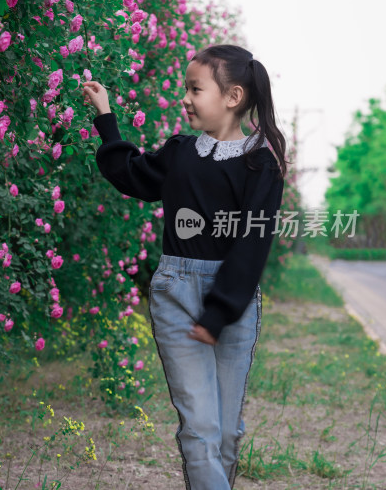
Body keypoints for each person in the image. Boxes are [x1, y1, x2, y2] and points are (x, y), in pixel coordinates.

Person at [82, 44, 288, 490]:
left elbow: (252, 247)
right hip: (176, 293)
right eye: (186, 88)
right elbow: (131, 174)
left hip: (231, 306)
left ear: (232, 97)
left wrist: (217, 314)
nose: (186, 98)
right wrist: (106, 117)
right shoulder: (180, 152)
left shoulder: (260, 165)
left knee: (227, 433)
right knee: (199, 429)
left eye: (196, 89)